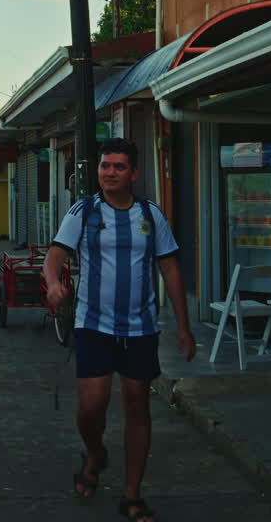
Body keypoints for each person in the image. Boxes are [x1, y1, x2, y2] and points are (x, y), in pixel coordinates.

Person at [43, 137, 195, 522]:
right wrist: (53, 282)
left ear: (134, 172)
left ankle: (132, 495)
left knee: (137, 405)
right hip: (93, 324)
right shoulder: (84, 211)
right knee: (91, 407)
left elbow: (170, 268)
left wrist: (184, 326)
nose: (110, 173)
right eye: (105, 166)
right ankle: (95, 453)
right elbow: (55, 255)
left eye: (119, 167)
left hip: (140, 328)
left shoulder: (150, 215)